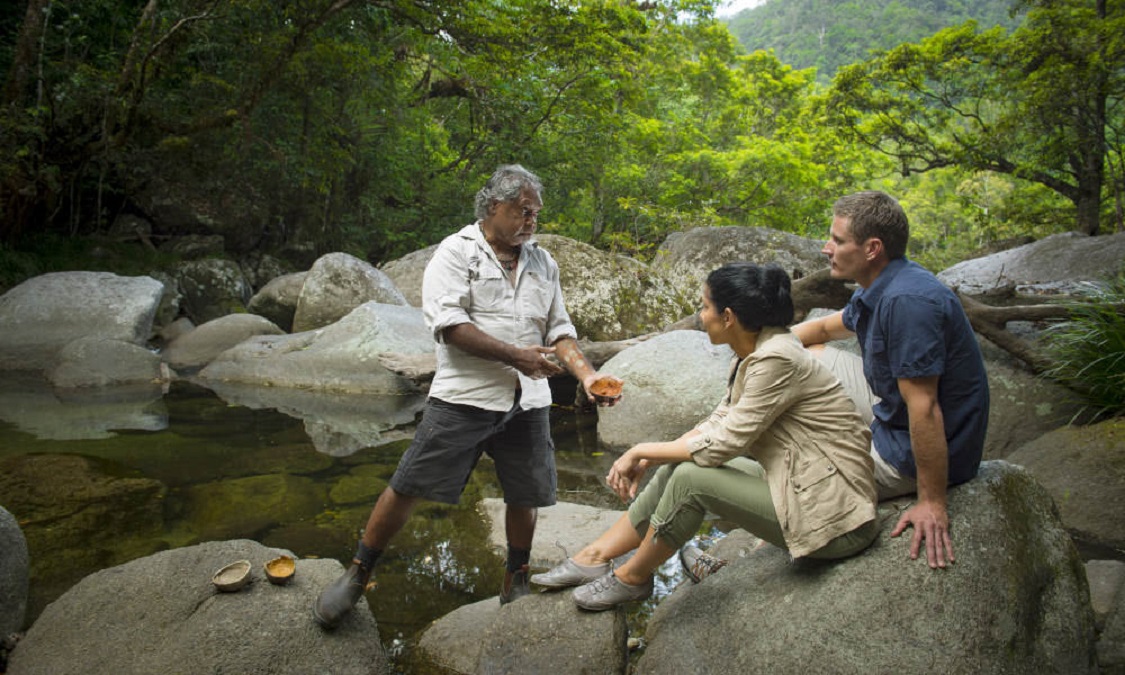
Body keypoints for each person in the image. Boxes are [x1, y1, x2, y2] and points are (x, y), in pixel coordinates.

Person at [313, 164, 621, 629]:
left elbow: (560, 330)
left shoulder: (543, 262)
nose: (531, 222)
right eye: (523, 211)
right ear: (494, 207)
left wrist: (587, 376)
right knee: (408, 484)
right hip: (464, 396)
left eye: (535, 213)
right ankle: (358, 573)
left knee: (525, 495)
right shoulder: (455, 255)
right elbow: (450, 326)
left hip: (528, 400)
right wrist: (517, 356)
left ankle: (514, 578)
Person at [530, 263, 879, 611]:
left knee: (691, 479)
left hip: (835, 520)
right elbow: (722, 420)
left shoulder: (777, 359)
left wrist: (640, 449)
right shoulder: (758, 351)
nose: (700, 315)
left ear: (728, 316)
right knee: (672, 470)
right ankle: (594, 555)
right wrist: (654, 456)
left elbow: (723, 444)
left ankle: (633, 578)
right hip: (801, 484)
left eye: (705, 306)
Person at [791, 190, 990, 570]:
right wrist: (760, 346)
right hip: (893, 410)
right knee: (802, 356)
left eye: (837, 240)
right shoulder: (879, 286)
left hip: (913, 447)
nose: (825, 248)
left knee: (801, 472)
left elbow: (925, 407)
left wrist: (932, 502)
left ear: (872, 248)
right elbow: (821, 329)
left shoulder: (907, 302)